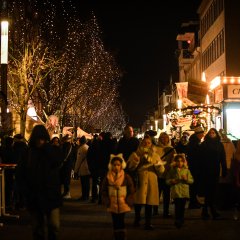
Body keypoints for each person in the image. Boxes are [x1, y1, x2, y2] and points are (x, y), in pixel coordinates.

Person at [18, 124, 63, 240]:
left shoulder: (51, 150)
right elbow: (20, 173)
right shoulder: (27, 153)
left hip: (51, 194)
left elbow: (57, 161)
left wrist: (47, 147)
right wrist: (25, 191)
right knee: (37, 229)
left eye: (42, 139)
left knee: (54, 225)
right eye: (38, 139)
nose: (40, 142)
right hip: (34, 195)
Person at [127, 135, 165, 230]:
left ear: (151, 144)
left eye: (148, 143)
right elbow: (130, 167)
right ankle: (137, 219)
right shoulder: (136, 154)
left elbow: (161, 170)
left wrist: (156, 164)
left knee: (149, 202)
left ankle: (148, 222)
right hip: (140, 179)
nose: (146, 145)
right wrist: (136, 162)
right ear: (141, 144)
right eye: (144, 143)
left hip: (151, 180)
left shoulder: (155, 155)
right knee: (138, 202)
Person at [101, 154, 135, 240]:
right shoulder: (107, 177)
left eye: (118, 165)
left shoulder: (126, 177)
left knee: (121, 220)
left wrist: (129, 200)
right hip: (112, 202)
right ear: (111, 166)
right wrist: (106, 200)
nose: (116, 167)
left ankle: (122, 235)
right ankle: (116, 235)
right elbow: (103, 190)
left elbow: (131, 189)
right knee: (115, 220)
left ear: (121, 166)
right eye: (114, 165)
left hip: (123, 202)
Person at [199, 128, 227, 220]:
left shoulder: (219, 145)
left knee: (212, 191)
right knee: (208, 191)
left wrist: (224, 170)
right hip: (206, 171)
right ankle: (211, 211)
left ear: (216, 134)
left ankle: (206, 211)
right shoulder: (204, 144)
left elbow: (223, 158)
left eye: (213, 132)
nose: (212, 134)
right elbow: (200, 159)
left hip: (215, 170)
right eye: (210, 132)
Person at [166, 153, 194, 228]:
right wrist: (172, 181)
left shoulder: (186, 171)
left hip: (184, 192)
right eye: (178, 161)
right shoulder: (172, 170)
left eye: (181, 161)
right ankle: (178, 220)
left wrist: (186, 179)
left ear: (184, 162)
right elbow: (167, 180)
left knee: (182, 207)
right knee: (177, 207)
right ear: (175, 162)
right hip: (176, 192)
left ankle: (181, 219)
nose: (180, 163)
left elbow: (191, 181)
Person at [154, 132, 176, 217]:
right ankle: (155, 211)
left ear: (168, 139)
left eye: (165, 137)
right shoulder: (155, 148)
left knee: (167, 194)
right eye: (162, 138)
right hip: (158, 174)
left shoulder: (171, 149)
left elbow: (174, 160)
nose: (164, 139)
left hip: (167, 174)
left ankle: (166, 212)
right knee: (157, 194)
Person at [186, 126, 205, 209]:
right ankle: (193, 202)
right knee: (194, 185)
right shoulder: (195, 142)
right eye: (201, 133)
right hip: (195, 167)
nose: (202, 135)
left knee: (194, 185)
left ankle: (194, 201)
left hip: (194, 166)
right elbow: (196, 155)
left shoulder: (194, 141)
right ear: (198, 134)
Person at [74, 136, 91, 201]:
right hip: (88, 167)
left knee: (84, 183)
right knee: (87, 183)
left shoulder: (81, 149)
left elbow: (78, 160)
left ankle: (84, 196)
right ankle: (86, 196)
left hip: (83, 168)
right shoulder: (87, 147)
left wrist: (76, 170)